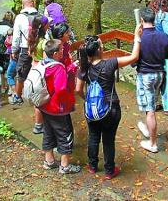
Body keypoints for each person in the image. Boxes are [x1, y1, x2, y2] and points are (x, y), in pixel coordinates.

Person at [76, 24, 142, 180]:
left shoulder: (83, 68)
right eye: (101, 44)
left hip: (91, 109)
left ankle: (92, 166)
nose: (102, 45)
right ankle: (109, 170)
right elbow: (134, 57)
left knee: (93, 136)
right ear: (99, 50)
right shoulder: (110, 64)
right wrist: (137, 37)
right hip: (110, 108)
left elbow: (78, 89)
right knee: (108, 139)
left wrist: (87, 99)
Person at [39, 39, 80, 174]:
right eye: (62, 49)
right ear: (56, 53)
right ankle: (65, 166)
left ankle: (49, 161)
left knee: (48, 132)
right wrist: (67, 102)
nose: (64, 51)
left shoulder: (43, 64)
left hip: (45, 105)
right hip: (58, 108)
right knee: (65, 134)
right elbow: (61, 88)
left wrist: (71, 67)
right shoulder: (58, 67)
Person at [135, 7, 168, 153]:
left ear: (142, 21)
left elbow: (134, 60)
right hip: (159, 74)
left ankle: (153, 143)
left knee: (150, 110)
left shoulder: (141, 38)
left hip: (145, 75)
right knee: (151, 103)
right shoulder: (164, 37)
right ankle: (149, 130)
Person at [11, 0, 39, 104]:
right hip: (38, 47)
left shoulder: (20, 17)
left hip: (25, 47)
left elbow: (16, 36)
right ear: (32, 3)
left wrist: (14, 50)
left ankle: (18, 96)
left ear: (23, 4)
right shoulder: (39, 15)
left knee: (21, 72)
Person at [28, 15, 50, 134]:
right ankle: (39, 125)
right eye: (48, 24)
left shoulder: (32, 38)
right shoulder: (44, 42)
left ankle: (38, 124)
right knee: (42, 100)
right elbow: (46, 61)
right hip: (41, 72)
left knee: (37, 99)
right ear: (44, 26)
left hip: (33, 69)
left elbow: (30, 54)